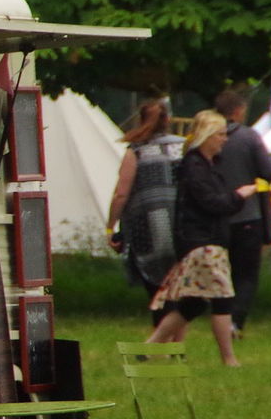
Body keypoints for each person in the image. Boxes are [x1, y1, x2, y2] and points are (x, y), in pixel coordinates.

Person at [145, 110, 256, 367]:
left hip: (208, 239)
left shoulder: (207, 166)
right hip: (202, 242)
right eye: (220, 135)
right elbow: (212, 203)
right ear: (207, 136)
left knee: (193, 303)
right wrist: (239, 196)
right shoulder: (194, 166)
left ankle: (149, 348)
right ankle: (229, 359)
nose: (224, 140)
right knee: (223, 298)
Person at [106, 99, 184, 328]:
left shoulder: (136, 151)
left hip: (147, 226)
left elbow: (121, 193)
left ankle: (160, 333)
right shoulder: (182, 146)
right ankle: (172, 338)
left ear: (141, 119)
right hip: (182, 223)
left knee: (156, 285)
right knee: (177, 284)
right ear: (168, 119)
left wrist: (111, 226)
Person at [212, 89, 271, 338]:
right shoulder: (249, 137)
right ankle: (235, 321)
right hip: (247, 215)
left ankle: (220, 314)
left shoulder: (204, 138)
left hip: (215, 215)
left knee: (219, 272)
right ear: (238, 111)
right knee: (246, 274)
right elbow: (268, 171)